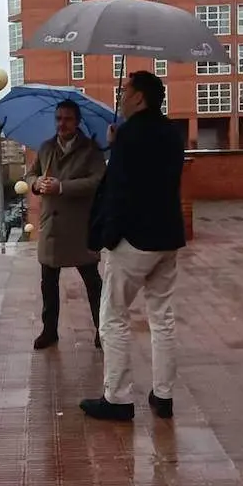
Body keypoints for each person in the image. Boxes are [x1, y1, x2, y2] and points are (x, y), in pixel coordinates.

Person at [80, 71, 186, 421]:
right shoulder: (173, 133)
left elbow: (120, 191)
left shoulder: (129, 134)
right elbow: (154, 176)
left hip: (133, 241)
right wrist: (117, 141)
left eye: (125, 90)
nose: (121, 96)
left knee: (113, 317)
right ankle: (164, 395)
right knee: (162, 318)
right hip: (167, 237)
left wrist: (106, 237)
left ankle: (118, 398)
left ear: (139, 97)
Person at [25, 99, 107, 350]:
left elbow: (98, 181)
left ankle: (102, 331)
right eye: (58, 118)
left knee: (93, 283)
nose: (62, 123)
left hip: (79, 226)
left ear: (77, 121)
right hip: (52, 227)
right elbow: (30, 174)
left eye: (68, 119)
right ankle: (49, 331)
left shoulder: (91, 150)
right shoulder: (46, 148)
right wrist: (37, 183)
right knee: (48, 284)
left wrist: (63, 187)